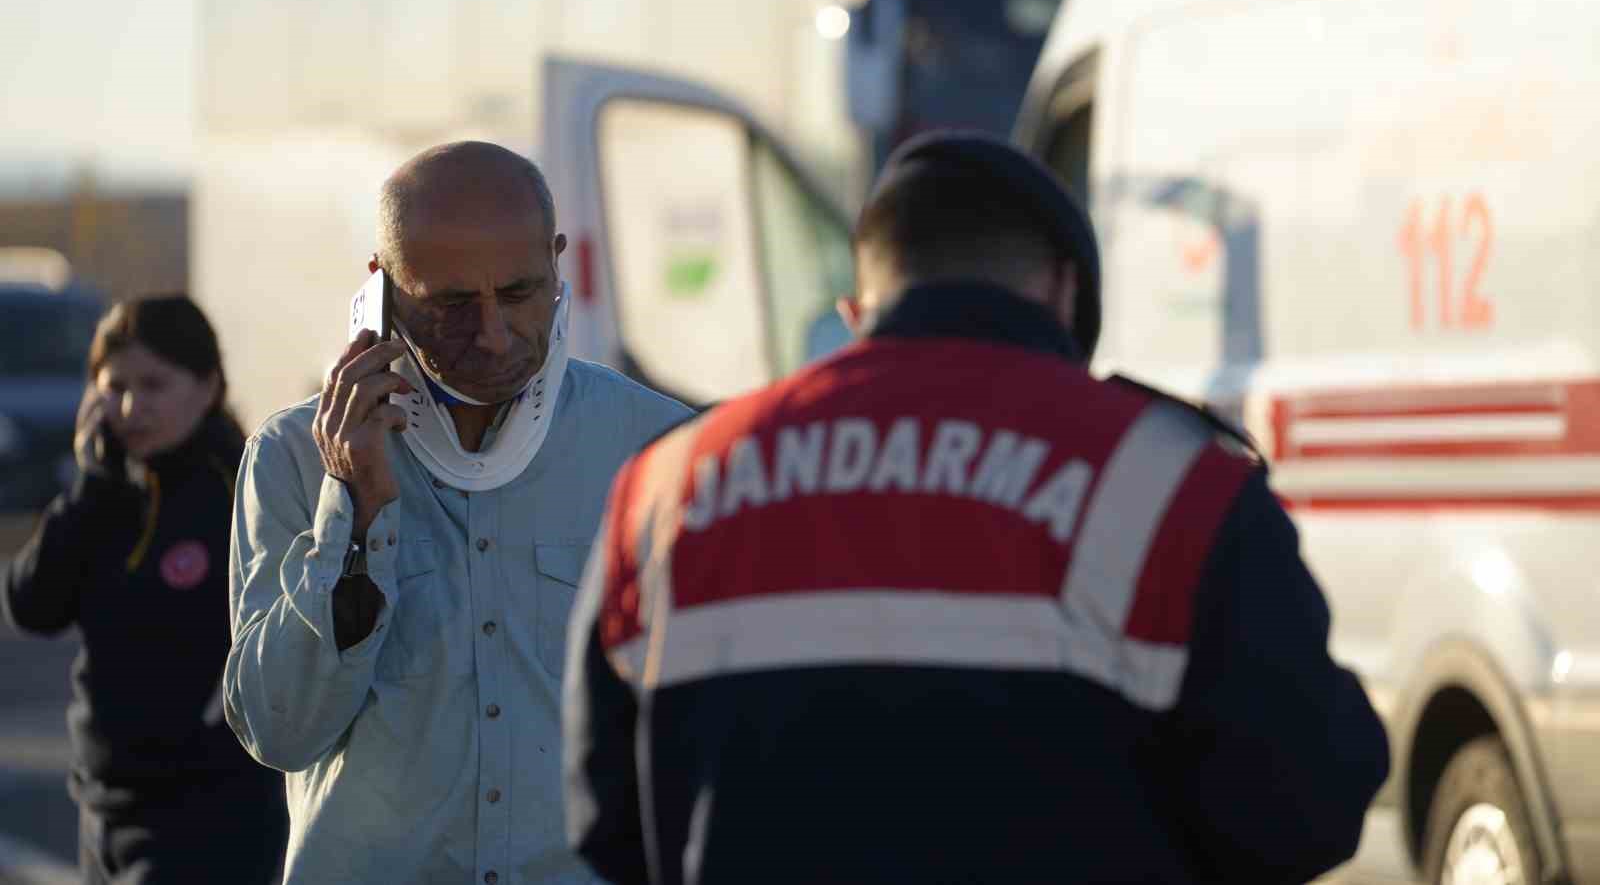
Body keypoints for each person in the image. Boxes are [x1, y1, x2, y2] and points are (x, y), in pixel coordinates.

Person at [563, 132, 1391, 884]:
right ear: (1065, 295)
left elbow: (606, 823)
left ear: (857, 312)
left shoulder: (671, 483)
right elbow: (1305, 808)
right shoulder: (1171, 482)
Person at [224, 140, 691, 884]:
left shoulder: (659, 452)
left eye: (518, 292)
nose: (493, 334)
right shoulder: (293, 457)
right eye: (450, 305)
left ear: (557, 259)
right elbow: (279, 731)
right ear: (380, 289)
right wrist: (355, 504)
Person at [3, 296, 288, 883]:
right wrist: (90, 486)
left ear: (208, 386)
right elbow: (32, 606)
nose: (132, 407)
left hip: (208, 821)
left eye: (154, 384)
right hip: (103, 809)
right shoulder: (103, 494)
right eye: (115, 386)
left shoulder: (243, 492)